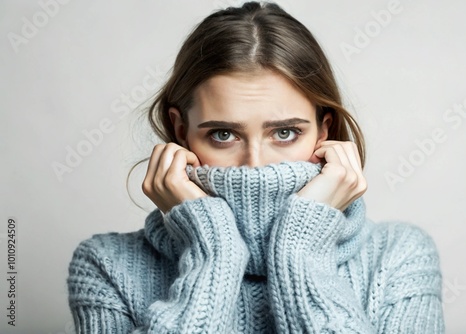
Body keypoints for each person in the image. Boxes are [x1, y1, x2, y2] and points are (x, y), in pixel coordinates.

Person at [67, 2, 445, 333]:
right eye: (222, 135)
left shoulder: (399, 256)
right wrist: (213, 253)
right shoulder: (106, 264)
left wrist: (300, 251)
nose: (255, 165)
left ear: (324, 131)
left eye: (284, 132)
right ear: (181, 132)